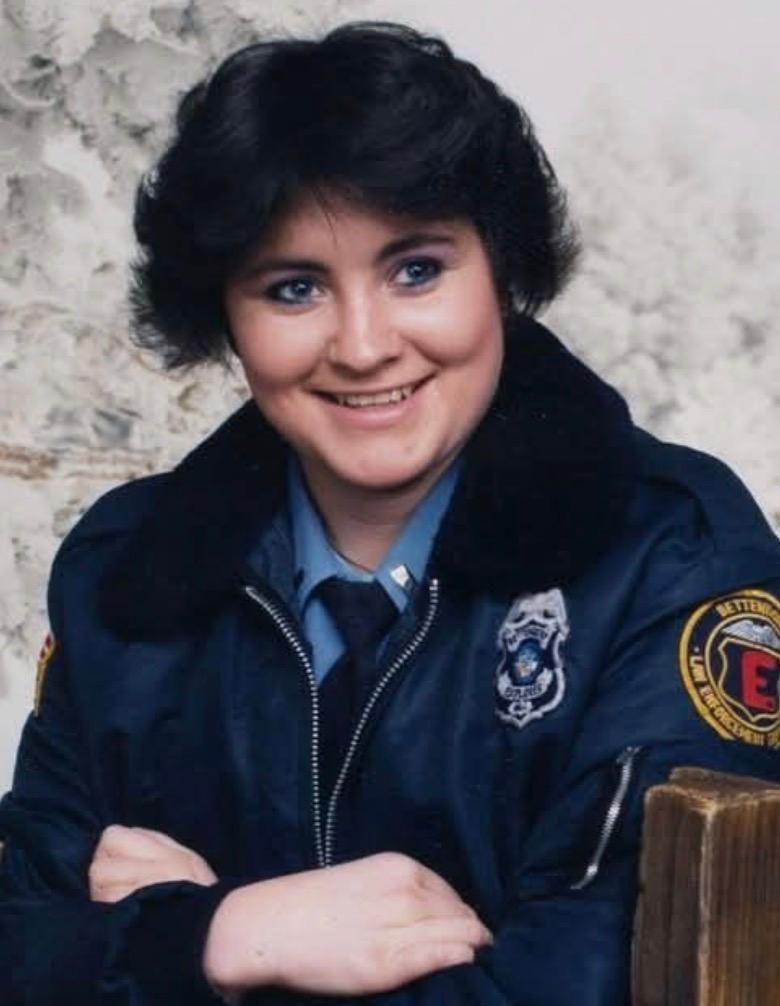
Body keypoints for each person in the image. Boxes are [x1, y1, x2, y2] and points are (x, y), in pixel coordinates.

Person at [1, 19, 779, 1006]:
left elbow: (595, 986)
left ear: (501, 269)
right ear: (223, 314)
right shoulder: (124, 571)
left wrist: (181, 951)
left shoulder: (673, 559)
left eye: (416, 270)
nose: (364, 346)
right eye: (293, 288)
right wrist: (223, 933)